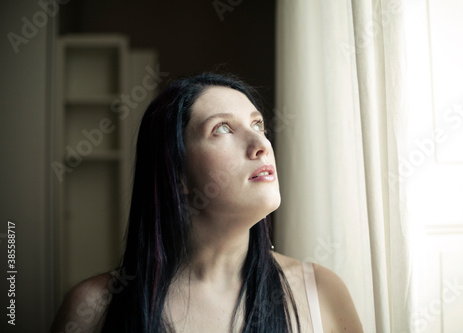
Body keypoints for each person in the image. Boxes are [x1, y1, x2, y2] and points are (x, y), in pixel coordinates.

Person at [50, 73, 363, 333]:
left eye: (258, 125)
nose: (261, 145)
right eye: (223, 128)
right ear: (177, 175)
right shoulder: (92, 309)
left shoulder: (321, 293)